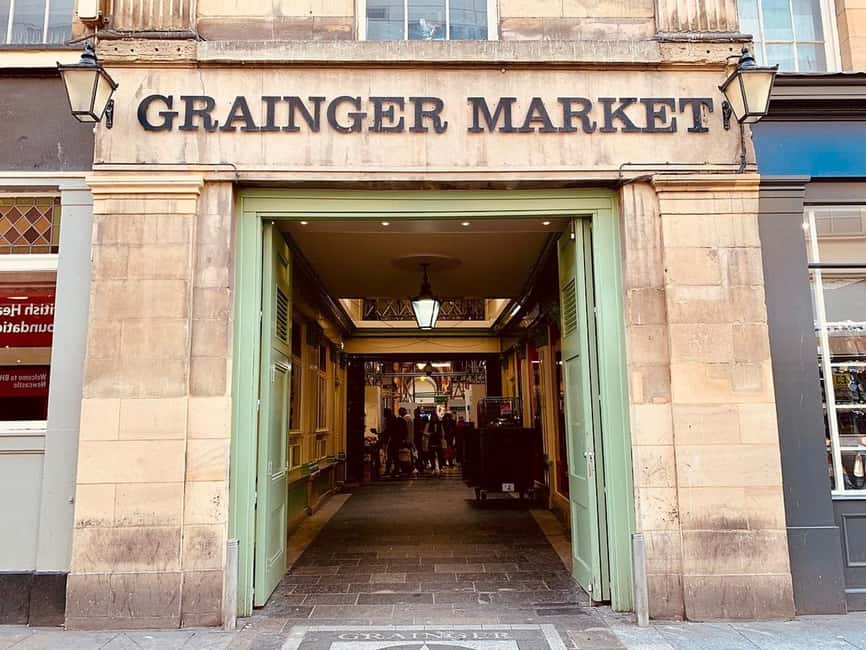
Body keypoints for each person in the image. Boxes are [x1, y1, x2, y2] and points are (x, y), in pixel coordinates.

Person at [428, 411, 444, 476]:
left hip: (438, 440)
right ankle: (433, 467)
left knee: (440, 454)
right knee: (432, 455)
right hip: (432, 441)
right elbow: (428, 432)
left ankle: (440, 467)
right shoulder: (429, 424)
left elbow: (442, 432)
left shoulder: (439, 424)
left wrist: (442, 437)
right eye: (432, 417)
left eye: (434, 416)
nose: (434, 418)